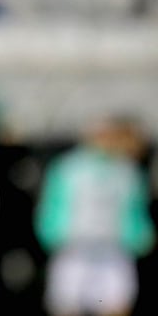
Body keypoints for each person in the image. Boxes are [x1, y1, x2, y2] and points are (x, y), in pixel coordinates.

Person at [34, 113, 156, 316]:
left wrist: (140, 237)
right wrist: (51, 234)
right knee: (66, 305)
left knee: (116, 303)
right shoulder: (67, 168)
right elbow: (51, 206)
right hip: (73, 249)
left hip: (114, 251)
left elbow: (136, 211)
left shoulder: (127, 171)